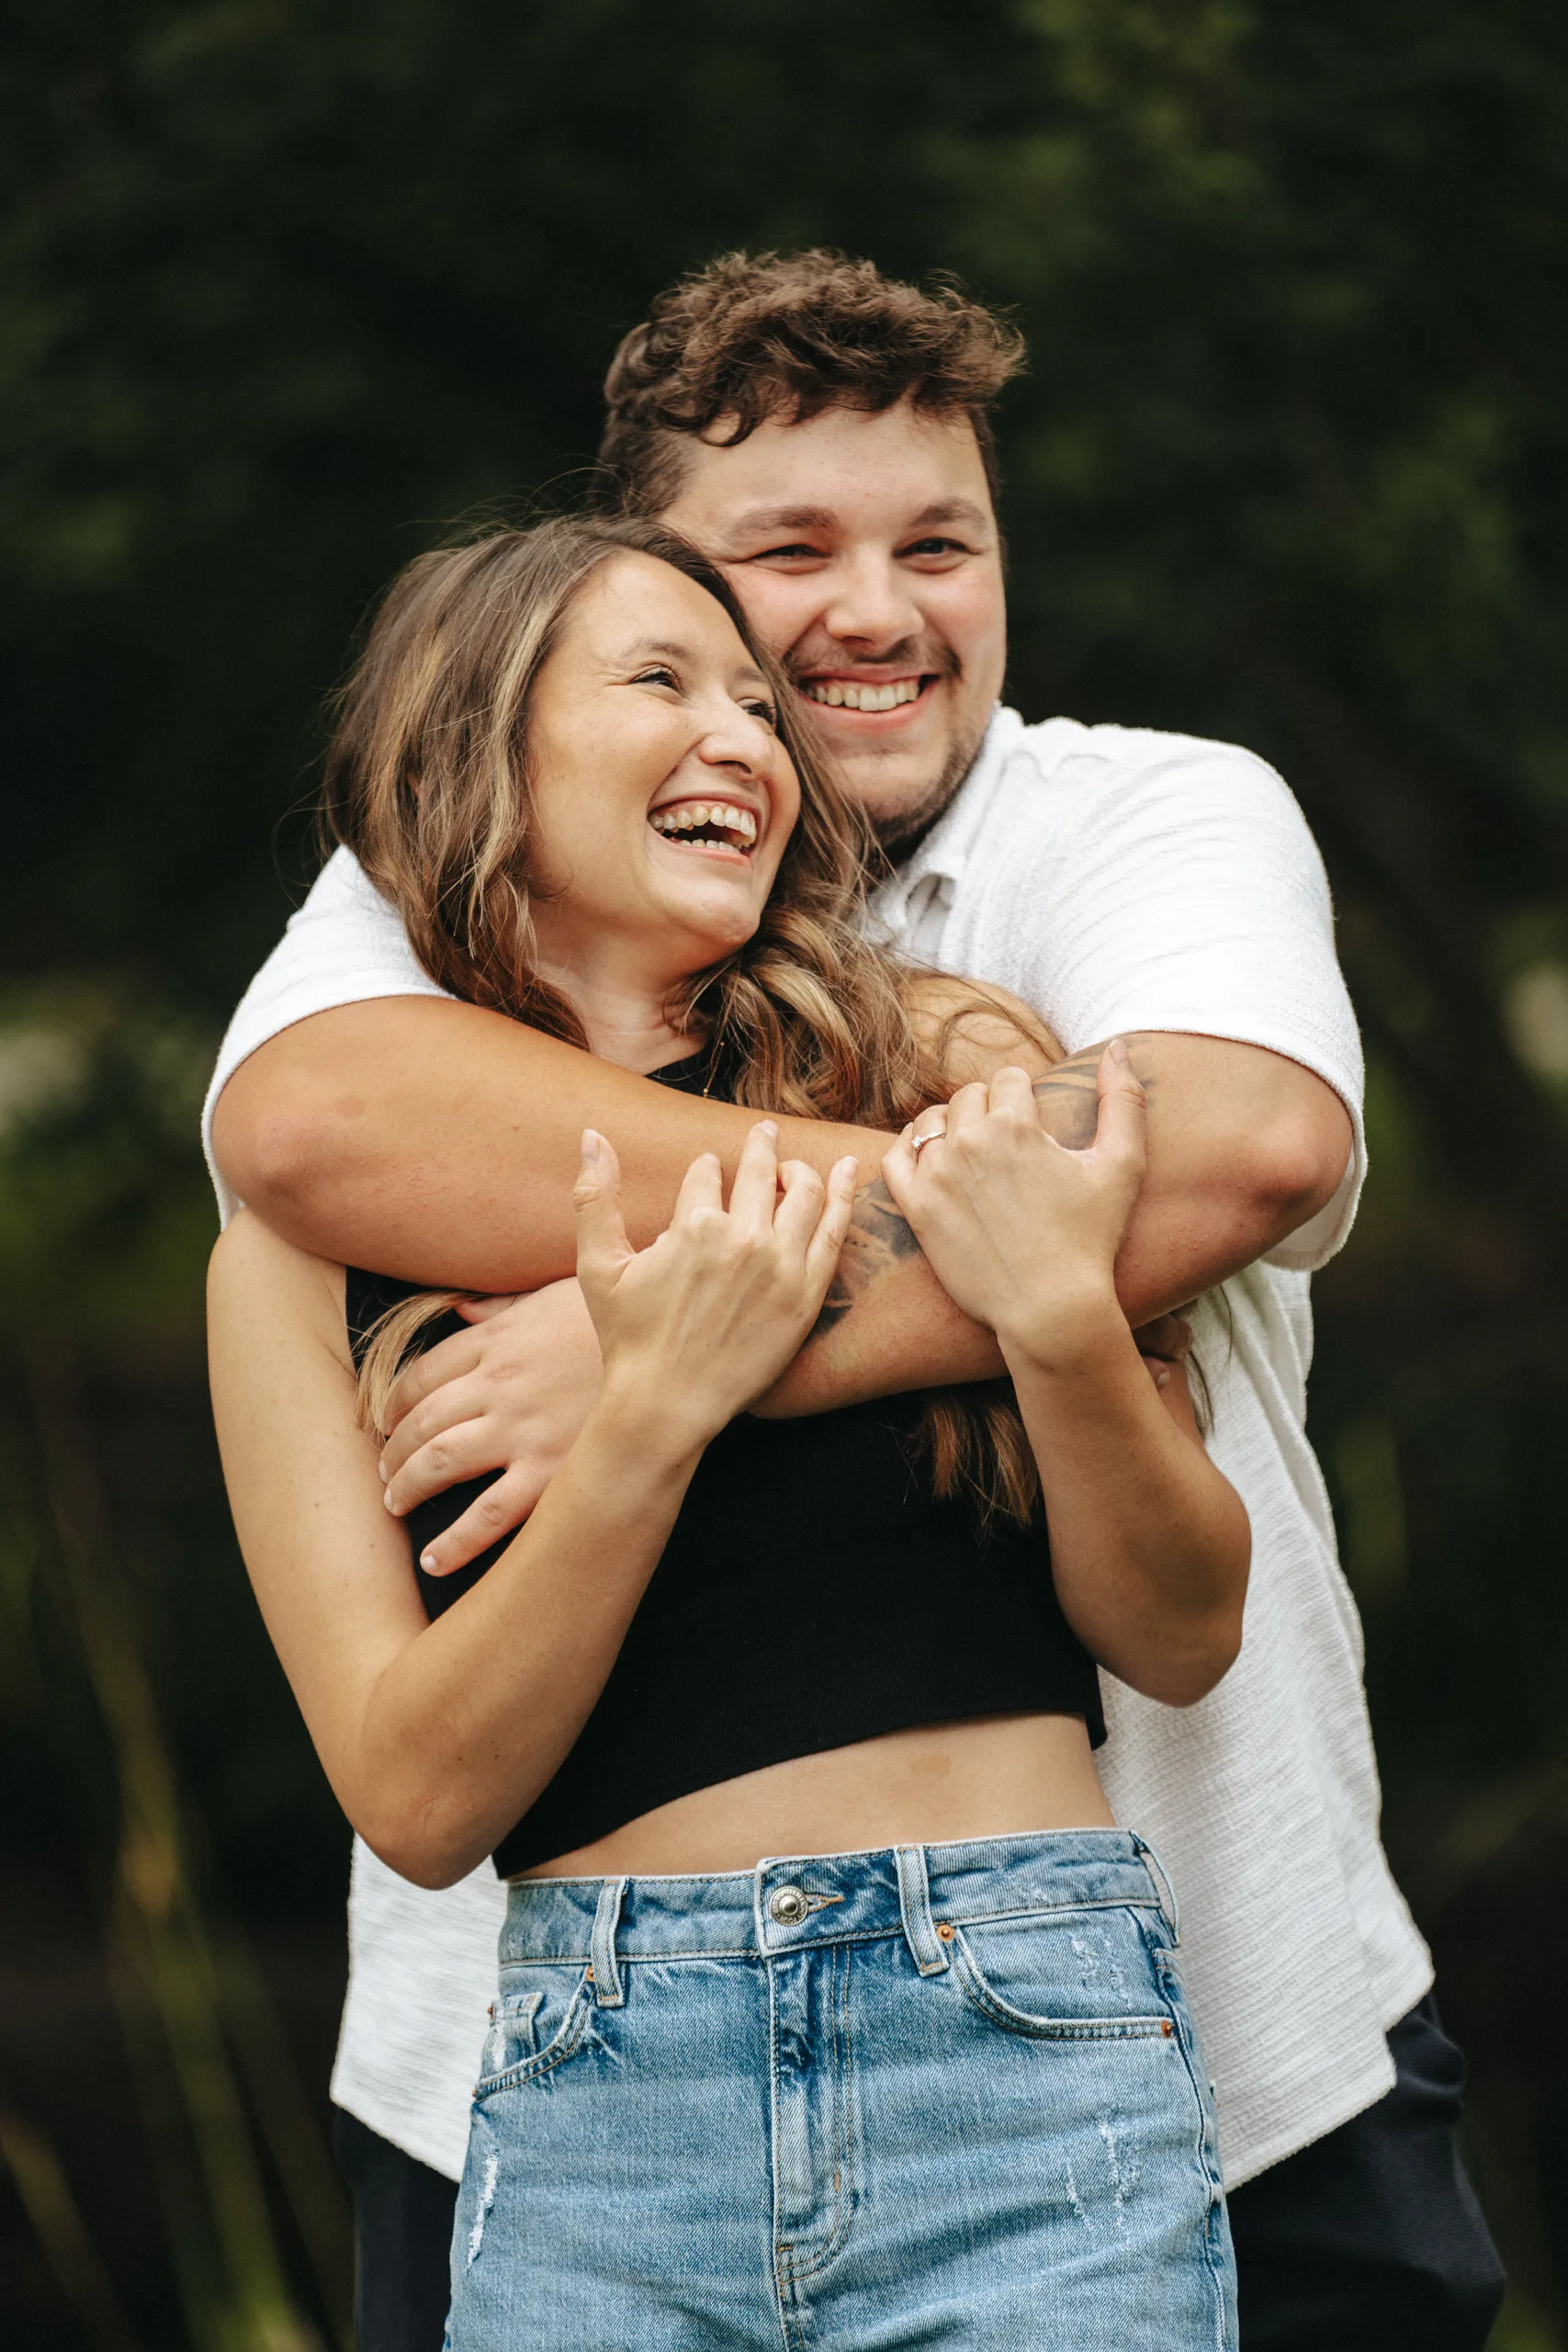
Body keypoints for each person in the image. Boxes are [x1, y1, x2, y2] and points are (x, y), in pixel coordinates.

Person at [204, 254, 1504, 2348]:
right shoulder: (398, 898)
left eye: (939, 544)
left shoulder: (1119, 839)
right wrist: (850, 1288)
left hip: (1191, 2035)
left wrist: (720, 1326)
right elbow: (307, 1131)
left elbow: (1238, 1146)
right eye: (776, 564)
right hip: (532, 2089)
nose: (868, 619)